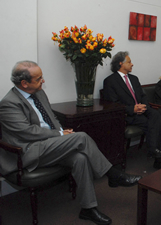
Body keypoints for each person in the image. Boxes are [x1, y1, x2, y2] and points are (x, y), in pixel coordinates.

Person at [0, 60, 142, 225]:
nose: (43, 81)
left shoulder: (39, 93)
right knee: (81, 137)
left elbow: (51, 118)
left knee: (80, 158)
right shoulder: (9, 104)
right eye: (39, 79)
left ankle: (88, 209)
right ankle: (113, 174)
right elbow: (27, 132)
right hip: (27, 152)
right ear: (24, 83)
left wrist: (61, 131)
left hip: (48, 146)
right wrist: (59, 134)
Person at [103, 51, 161, 169]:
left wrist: (144, 106)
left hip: (142, 108)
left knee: (156, 115)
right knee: (151, 124)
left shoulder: (134, 78)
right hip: (128, 114)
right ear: (121, 64)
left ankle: (153, 150)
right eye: (129, 62)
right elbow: (112, 104)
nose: (132, 64)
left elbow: (142, 96)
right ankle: (158, 157)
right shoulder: (110, 81)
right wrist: (132, 109)